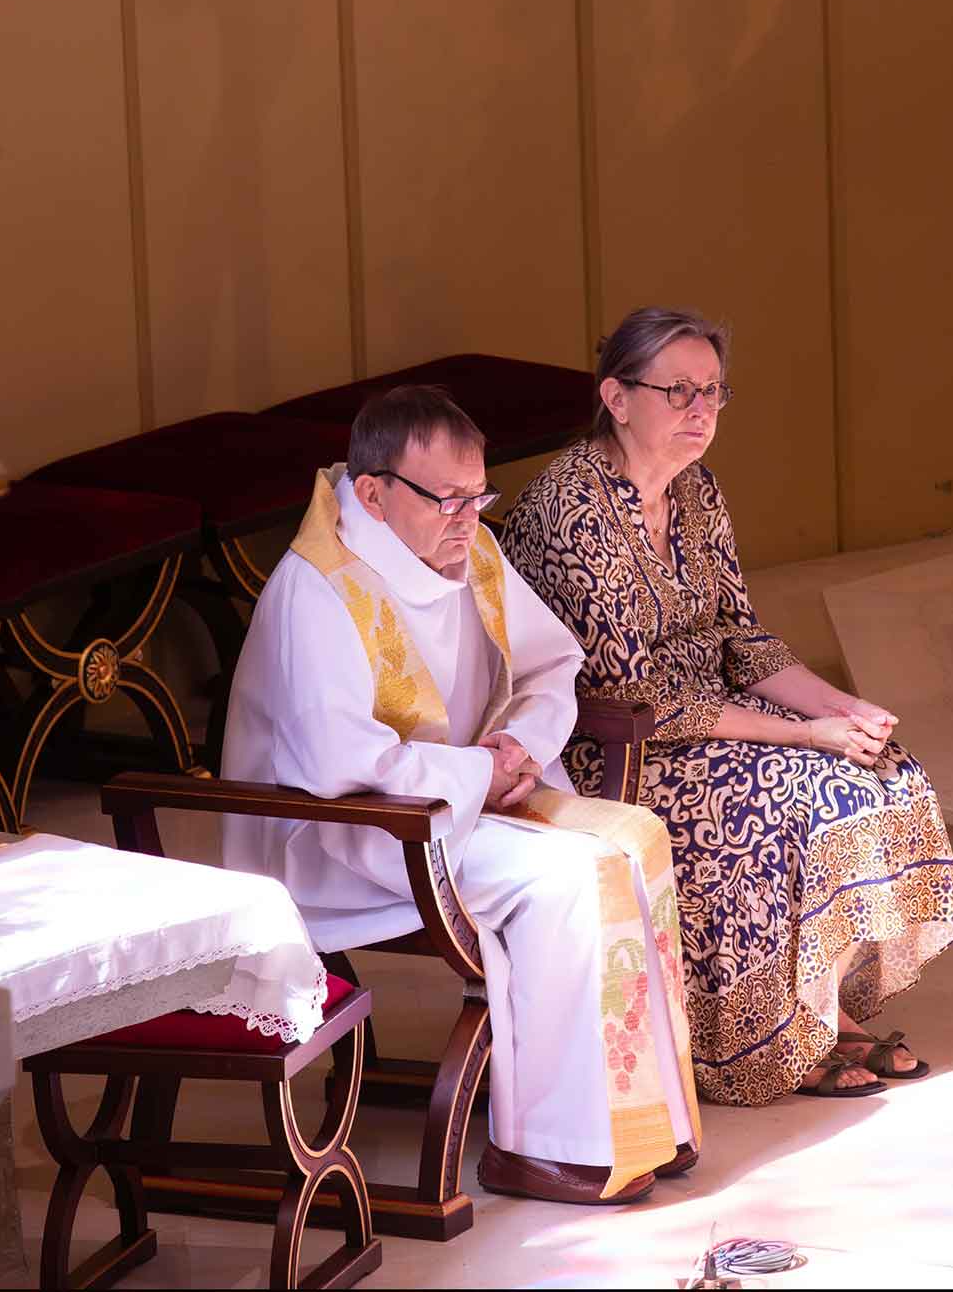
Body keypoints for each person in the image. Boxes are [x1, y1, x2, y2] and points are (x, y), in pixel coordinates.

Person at [221, 385, 701, 1204]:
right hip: (344, 833)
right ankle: (547, 1148)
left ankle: (642, 1121)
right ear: (372, 492)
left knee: (634, 841)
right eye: (447, 498)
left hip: (455, 801)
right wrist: (481, 772)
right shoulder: (319, 587)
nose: (468, 519)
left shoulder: (467, 547)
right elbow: (340, 761)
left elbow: (552, 663)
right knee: (570, 880)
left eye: (479, 495)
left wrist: (522, 746)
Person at [501, 307, 953, 1106]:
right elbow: (634, 697)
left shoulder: (698, 491)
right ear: (616, 398)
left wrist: (841, 707)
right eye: (678, 391)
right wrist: (807, 737)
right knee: (797, 793)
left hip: (709, 717)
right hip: (610, 746)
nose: (701, 410)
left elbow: (740, 640)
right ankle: (759, 1042)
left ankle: (820, 1013)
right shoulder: (571, 507)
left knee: (886, 770)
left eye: (713, 392)